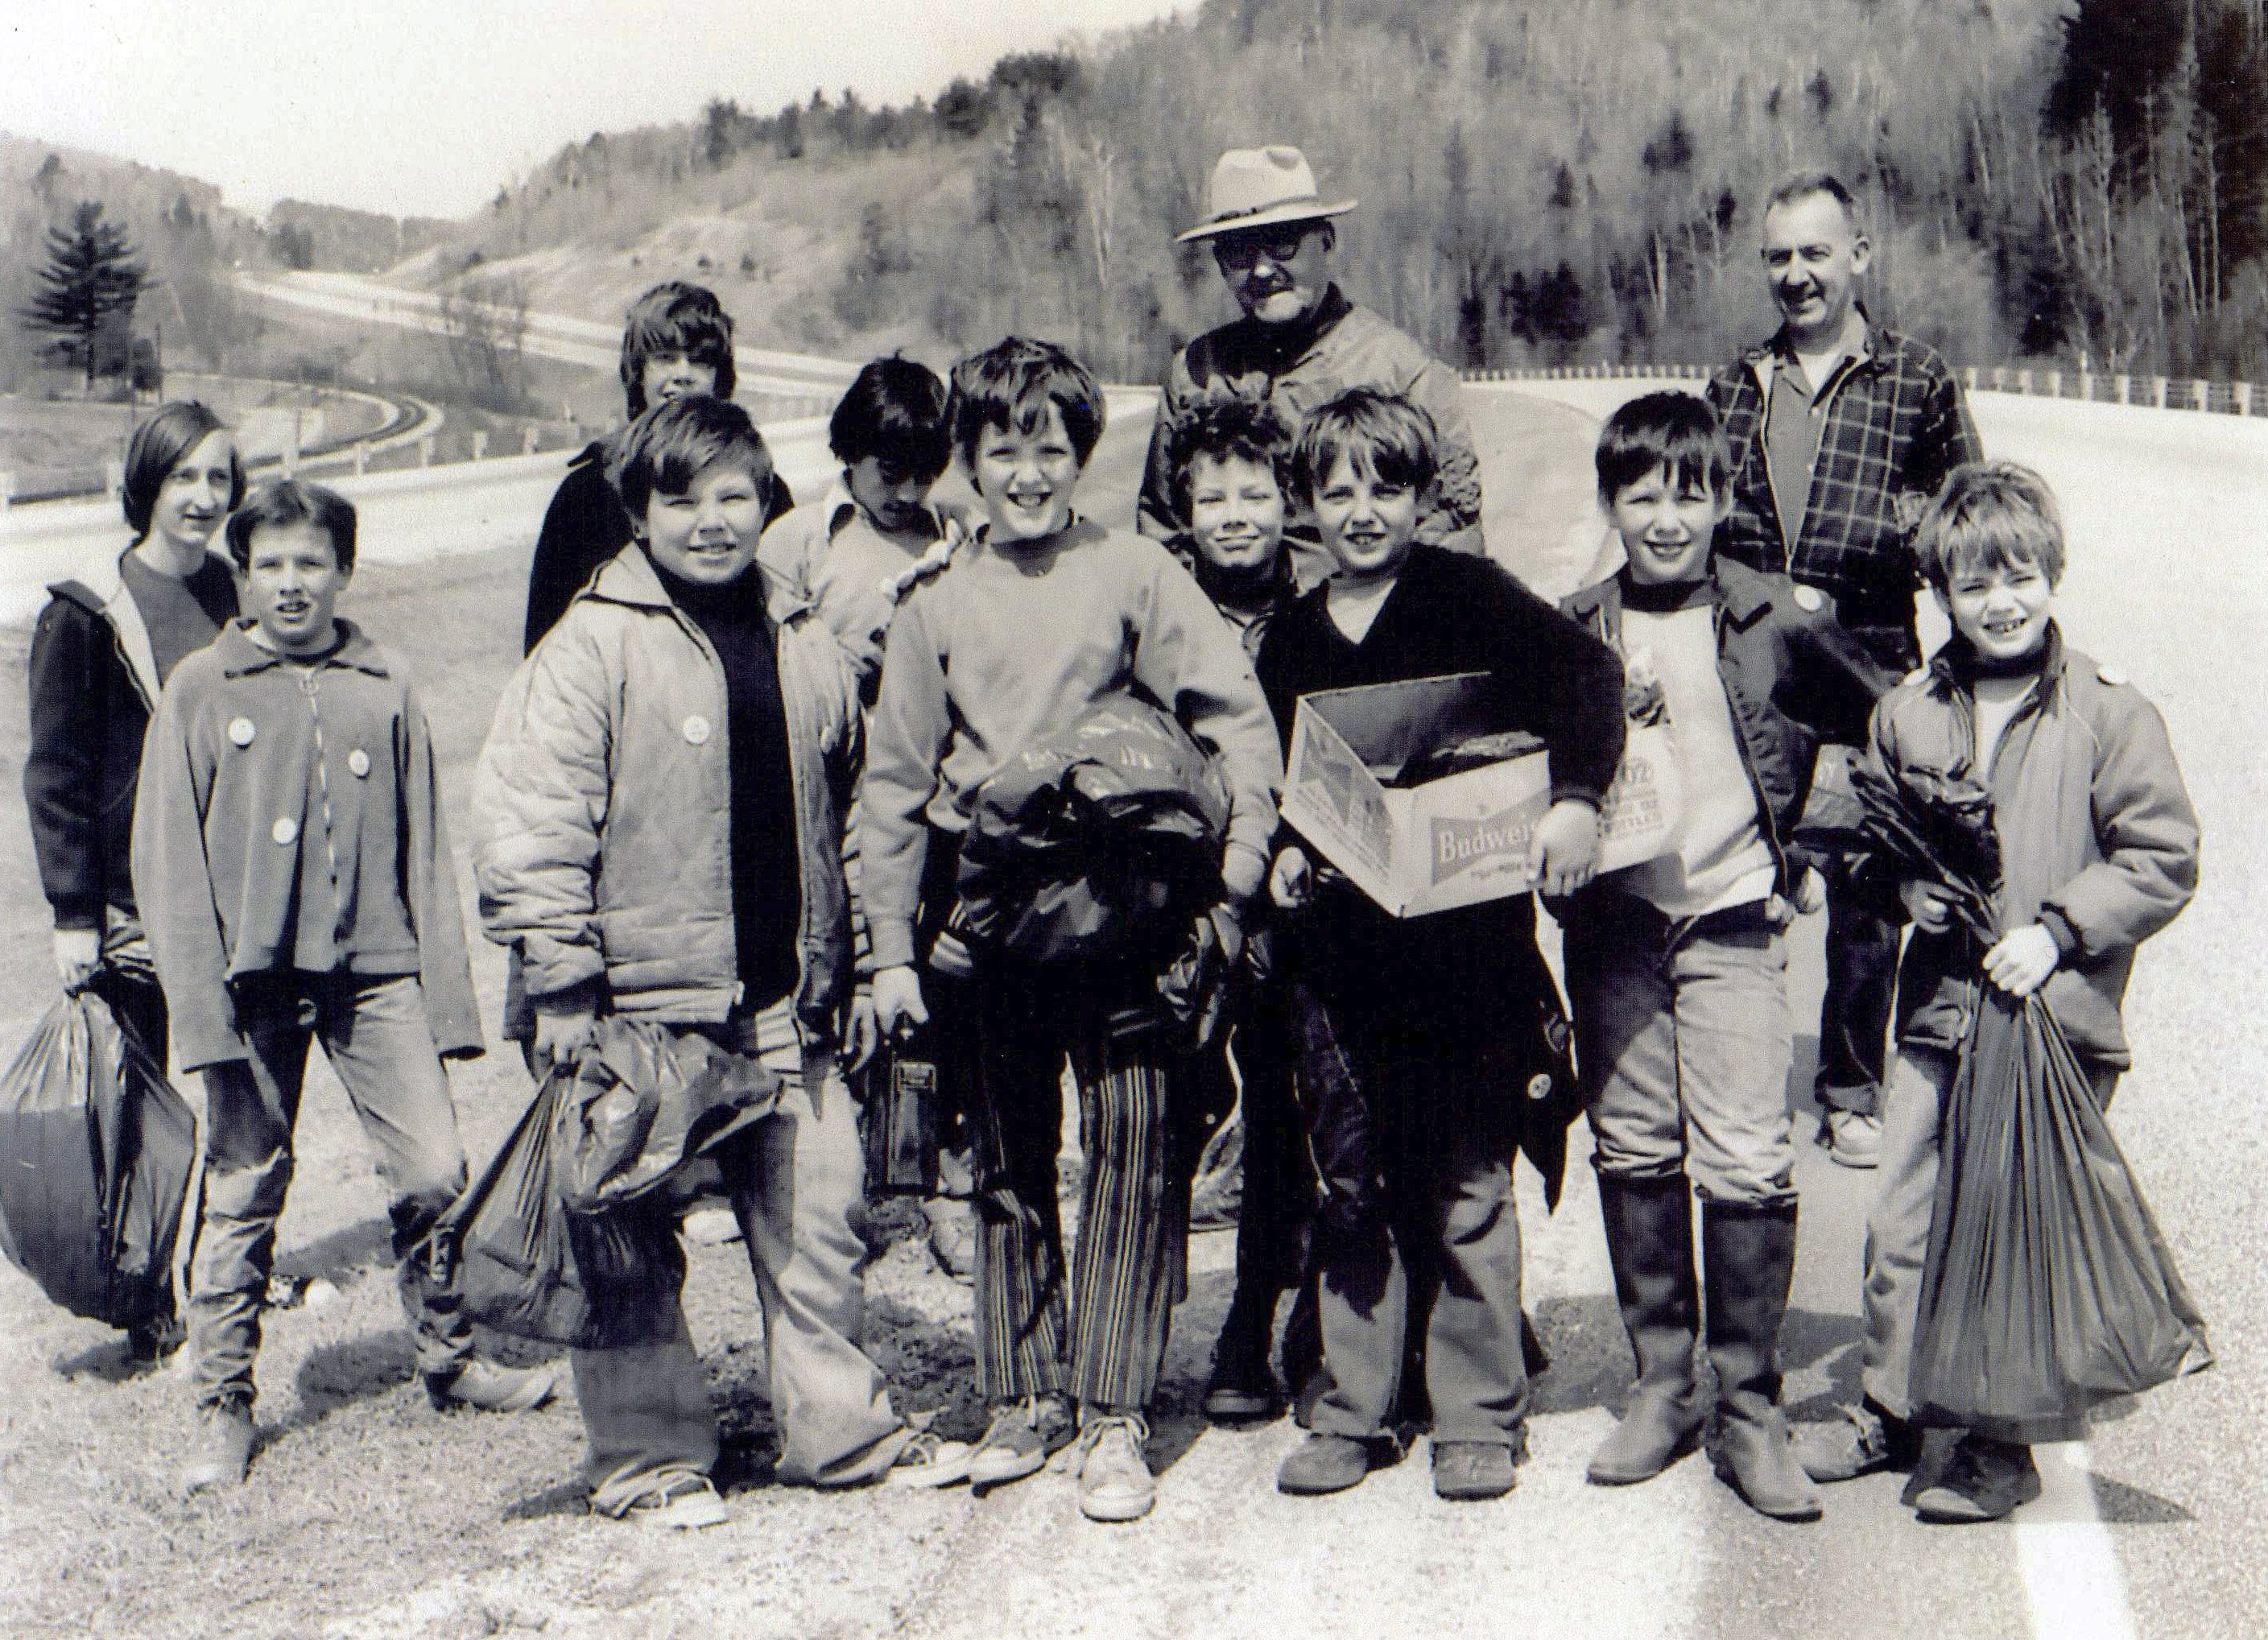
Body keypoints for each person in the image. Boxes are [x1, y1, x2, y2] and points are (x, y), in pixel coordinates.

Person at [475, 395, 960, 1529]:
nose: (710, 520)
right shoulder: (592, 643)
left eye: (733, 495)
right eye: (679, 498)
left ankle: (839, 1431)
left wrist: (847, 957)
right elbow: (532, 822)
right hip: (639, 1009)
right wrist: (560, 983)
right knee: (629, 1237)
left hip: (786, 1000)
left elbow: (850, 808)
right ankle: (650, 1455)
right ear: (639, 514)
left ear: (766, 502)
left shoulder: (803, 639)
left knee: (818, 1221)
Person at [861, 337, 1284, 1523]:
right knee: (1002, 1154)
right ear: (969, 463)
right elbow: (892, 789)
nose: (1028, 473)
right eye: (1003, 450)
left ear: (1081, 454)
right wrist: (890, 953)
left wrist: (1235, 875)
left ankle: (1114, 1410)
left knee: (1135, 1144)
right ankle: (1024, 1393)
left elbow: (1237, 725)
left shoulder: (1138, 573)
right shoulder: (932, 603)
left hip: (1126, 906)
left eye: (1050, 447)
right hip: (987, 911)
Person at [132, 480, 561, 1497]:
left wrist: (447, 1006)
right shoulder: (202, 688)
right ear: (244, 574)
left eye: (311, 563)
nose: (291, 584)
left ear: (344, 572)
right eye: (271, 564)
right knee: (245, 1188)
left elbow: (423, 854)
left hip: (376, 975)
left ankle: (451, 1359)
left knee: (435, 1171)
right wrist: (202, 1016)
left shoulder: (385, 683)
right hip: (253, 987)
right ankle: (221, 1405)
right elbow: (170, 872)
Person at [1793, 461, 2199, 1523]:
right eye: (1973, 584)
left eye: (2019, 575)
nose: (2000, 601)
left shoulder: (2109, 715)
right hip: (1937, 1012)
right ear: (1940, 594)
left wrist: (2059, 932)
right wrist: (1902, 888)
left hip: (2053, 1023)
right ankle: (1892, 1403)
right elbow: (1859, 845)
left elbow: (2161, 854)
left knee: (2015, 1227)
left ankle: (1997, 1444)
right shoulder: (1907, 712)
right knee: (1904, 1213)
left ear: (2053, 573)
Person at [1256, 389, 1624, 1503]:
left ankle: (1478, 1410)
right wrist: (1281, 849)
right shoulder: (1290, 637)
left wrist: (1574, 800)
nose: (1362, 510)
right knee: (1353, 1185)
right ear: (1305, 507)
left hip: (1467, 957)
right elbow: (1282, 780)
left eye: (1386, 487)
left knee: (1467, 1185)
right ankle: (1354, 1405)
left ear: (1424, 497)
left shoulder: (1470, 595)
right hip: (1342, 965)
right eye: (1337, 490)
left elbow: (1589, 679)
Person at [1557, 393, 1891, 1522]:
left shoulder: (1768, 616)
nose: (1663, 517)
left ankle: (1749, 1405)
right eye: (1640, 494)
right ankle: (1665, 1385)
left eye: (1687, 494)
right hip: (1615, 929)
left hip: (1734, 918)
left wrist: (1816, 842)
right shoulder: (1574, 629)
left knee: (1747, 1158)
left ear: (1721, 500)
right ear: (1607, 502)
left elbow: (1881, 722)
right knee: (1636, 1146)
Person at [1707, 171, 1982, 1170]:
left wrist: (1974, 669)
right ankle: (1733, 1080)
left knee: (1869, 890)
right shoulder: (1734, 382)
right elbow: (1701, 529)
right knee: (1752, 867)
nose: (1796, 276)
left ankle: (1853, 1088)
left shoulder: (1918, 378)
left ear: (1858, 256)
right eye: (1779, 257)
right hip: (1763, 662)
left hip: (1875, 658)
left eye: (1815, 254)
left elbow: (1966, 529)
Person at [24, 402, 244, 1361]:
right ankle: (143, 1299)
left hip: (230, 886)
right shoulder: (86, 613)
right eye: (184, 477)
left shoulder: (237, 592)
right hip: (126, 898)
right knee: (140, 1097)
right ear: (147, 485)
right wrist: (75, 913)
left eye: (219, 480)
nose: (202, 498)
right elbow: (57, 773)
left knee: (243, 1088)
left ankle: (231, 1270)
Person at [758, 353, 976, 1282]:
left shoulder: (959, 536)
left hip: (931, 794)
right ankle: (835, 1179)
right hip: (834, 795)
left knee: (932, 981)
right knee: (841, 975)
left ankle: (942, 1183)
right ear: (848, 455)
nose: (906, 491)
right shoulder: (799, 542)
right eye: (888, 470)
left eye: (923, 471)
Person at [1155, 397, 1312, 1420]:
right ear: (1182, 508)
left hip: (1306, 894)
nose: (1236, 513)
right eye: (1213, 495)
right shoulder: (1156, 606)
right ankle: (1160, 1315)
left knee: (1296, 1108)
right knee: (1181, 1100)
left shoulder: (1325, 596)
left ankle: (1277, 1317)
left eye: (1255, 492)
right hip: (1189, 898)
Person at [1139, 145, 1484, 588]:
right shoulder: (1197, 372)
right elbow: (1163, 531)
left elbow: (1453, 532)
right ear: (1221, 265)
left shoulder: (1402, 373)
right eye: (1240, 253)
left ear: (1326, 242)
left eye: (1283, 243)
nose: (1262, 271)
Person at [520, 281, 793, 653]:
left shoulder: (761, 490)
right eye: (666, 358)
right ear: (639, 373)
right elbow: (546, 650)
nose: (682, 373)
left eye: (699, 360)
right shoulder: (586, 494)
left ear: (720, 377)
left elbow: (788, 626)